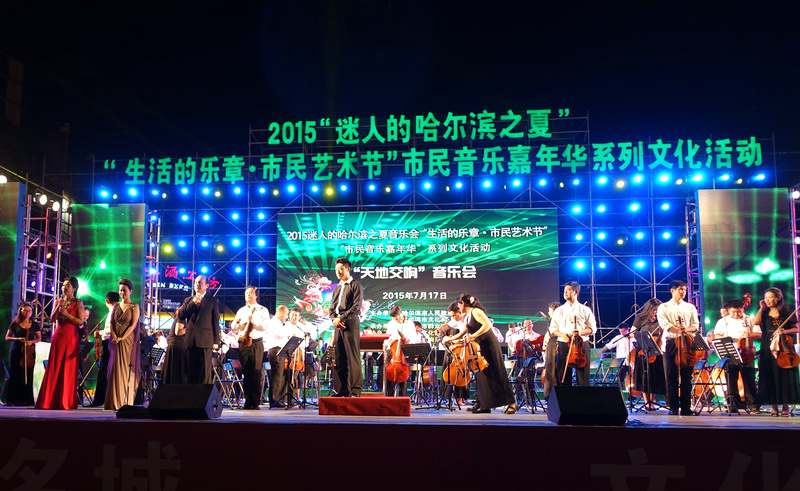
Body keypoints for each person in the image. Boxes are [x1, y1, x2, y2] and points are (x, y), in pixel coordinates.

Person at [444, 294, 516, 414]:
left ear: (463, 304)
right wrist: (451, 339)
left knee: (497, 373)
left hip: (489, 345)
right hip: (480, 348)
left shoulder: (476, 311)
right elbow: (464, 331)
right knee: (483, 377)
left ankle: (512, 403)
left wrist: (473, 336)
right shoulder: (467, 316)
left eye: (459, 304)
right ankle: (485, 405)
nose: (458, 307)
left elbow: (487, 325)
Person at [36, 276, 85, 410]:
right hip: (58, 336)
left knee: (68, 368)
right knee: (54, 366)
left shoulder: (78, 303)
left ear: (74, 288)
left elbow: (80, 321)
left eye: (68, 285)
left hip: (71, 337)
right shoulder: (58, 300)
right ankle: (49, 400)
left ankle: (65, 401)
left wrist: (67, 315)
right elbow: (52, 319)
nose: (64, 287)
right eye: (63, 285)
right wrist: (58, 306)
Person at [754, 287, 800, 416]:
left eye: (771, 297)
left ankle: (785, 406)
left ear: (778, 298)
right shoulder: (764, 311)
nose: (768, 300)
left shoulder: (787, 310)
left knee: (784, 376)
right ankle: (773, 407)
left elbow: (797, 329)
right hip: (767, 347)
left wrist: (784, 331)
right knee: (769, 375)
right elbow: (756, 322)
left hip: (784, 347)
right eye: (766, 298)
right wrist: (761, 308)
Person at [656, 280, 700, 416]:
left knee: (687, 376)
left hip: (687, 342)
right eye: (680, 289)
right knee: (671, 375)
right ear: (672, 290)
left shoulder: (690, 307)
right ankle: (673, 407)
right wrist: (678, 330)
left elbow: (695, 325)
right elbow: (665, 325)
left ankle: (686, 407)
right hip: (671, 342)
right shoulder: (663, 307)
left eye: (685, 289)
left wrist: (685, 330)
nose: (683, 292)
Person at [713, 299, 760, 414]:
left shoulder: (749, 319)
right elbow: (716, 335)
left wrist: (748, 334)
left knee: (749, 379)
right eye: (733, 312)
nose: (736, 314)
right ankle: (733, 404)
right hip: (731, 351)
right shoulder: (723, 321)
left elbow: (759, 333)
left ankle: (753, 405)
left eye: (739, 311)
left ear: (743, 309)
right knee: (731, 379)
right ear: (728, 311)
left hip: (746, 351)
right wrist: (728, 339)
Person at [550, 282, 597, 387]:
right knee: (563, 377)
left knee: (583, 378)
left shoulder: (585, 309)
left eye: (568, 290)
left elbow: (593, 328)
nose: (565, 292)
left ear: (575, 292)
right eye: (564, 290)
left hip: (581, 344)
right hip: (564, 344)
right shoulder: (558, 310)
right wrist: (562, 335)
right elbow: (553, 329)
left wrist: (579, 333)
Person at [231, 286, 271, 409]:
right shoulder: (241, 310)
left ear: (256, 295)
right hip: (244, 342)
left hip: (256, 343)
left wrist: (253, 322)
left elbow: (265, 326)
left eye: (251, 293)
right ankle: (248, 401)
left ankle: (255, 401)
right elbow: (233, 326)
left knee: (256, 371)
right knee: (246, 372)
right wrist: (239, 324)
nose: (248, 295)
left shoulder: (262, 310)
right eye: (246, 293)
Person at [104, 279, 141, 410]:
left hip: (127, 341)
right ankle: (113, 401)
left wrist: (122, 337)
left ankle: (124, 401)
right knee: (114, 369)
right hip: (115, 341)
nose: (122, 292)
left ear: (130, 291)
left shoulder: (134, 306)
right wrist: (114, 336)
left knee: (125, 369)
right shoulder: (116, 306)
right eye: (120, 290)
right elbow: (111, 323)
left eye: (124, 290)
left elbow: (133, 325)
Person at [329, 258, 363, 397]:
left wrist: (341, 318)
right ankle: (342, 389)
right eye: (336, 269)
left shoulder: (355, 285)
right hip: (338, 324)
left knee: (352, 357)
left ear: (348, 268)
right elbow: (332, 307)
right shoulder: (337, 288)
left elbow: (356, 307)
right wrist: (334, 319)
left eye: (341, 269)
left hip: (350, 322)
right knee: (339, 358)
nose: (338, 272)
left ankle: (355, 390)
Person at [177, 275, 220, 384]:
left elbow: (215, 321)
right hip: (190, 341)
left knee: (204, 373)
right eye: (196, 282)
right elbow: (181, 315)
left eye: (200, 282)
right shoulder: (188, 300)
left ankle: (204, 394)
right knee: (190, 372)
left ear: (207, 285)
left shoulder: (212, 300)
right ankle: (192, 394)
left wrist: (216, 341)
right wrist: (193, 303)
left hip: (205, 341)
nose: (197, 285)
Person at [264, 305, 303, 407]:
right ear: (281, 313)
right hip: (275, 350)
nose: (286, 317)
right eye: (286, 314)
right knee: (277, 376)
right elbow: (280, 334)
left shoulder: (279, 323)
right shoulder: (274, 322)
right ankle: (274, 400)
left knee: (279, 376)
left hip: (279, 350)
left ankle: (278, 400)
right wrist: (291, 333)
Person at [631, 298, 666, 411]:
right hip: (643, 350)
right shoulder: (640, 318)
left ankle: (652, 400)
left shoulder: (661, 320)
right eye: (654, 310)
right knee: (644, 377)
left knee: (654, 377)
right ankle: (647, 402)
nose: (656, 312)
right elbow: (632, 333)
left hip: (656, 351)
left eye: (658, 310)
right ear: (649, 309)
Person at [3, 302, 41, 406]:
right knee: (15, 374)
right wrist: (18, 338)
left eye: (30, 311)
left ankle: (27, 400)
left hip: (29, 352)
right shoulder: (15, 323)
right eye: (25, 310)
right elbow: (7, 337)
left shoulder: (35, 324)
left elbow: (39, 338)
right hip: (16, 351)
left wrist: (31, 342)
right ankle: (13, 400)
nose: (27, 312)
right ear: (21, 311)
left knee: (28, 374)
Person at [438, 302, 468, 406]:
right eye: (451, 316)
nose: (452, 317)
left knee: (461, 373)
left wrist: (453, 339)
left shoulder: (467, 320)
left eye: (454, 315)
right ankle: (447, 397)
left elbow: (465, 335)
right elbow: (445, 328)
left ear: (459, 312)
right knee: (448, 373)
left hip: (463, 350)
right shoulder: (454, 321)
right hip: (451, 351)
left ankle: (460, 398)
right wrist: (441, 332)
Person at [383, 305, 416, 397]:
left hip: (405, 353)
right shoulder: (391, 324)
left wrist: (405, 339)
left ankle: (402, 398)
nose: (395, 319)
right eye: (394, 317)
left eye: (396, 316)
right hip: (393, 353)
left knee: (403, 377)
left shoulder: (409, 324)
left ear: (401, 313)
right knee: (389, 375)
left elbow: (414, 339)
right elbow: (388, 339)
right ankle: (388, 397)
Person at [162, 309, 189, 385]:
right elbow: (178, 332)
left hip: (175, 348)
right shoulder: (181, 318)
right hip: (177, 349)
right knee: (177, 375)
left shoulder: (179, 319)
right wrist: (190, 327)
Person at [602, 325, 632, 391]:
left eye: (623, 331)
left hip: (632, 362)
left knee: (632, 379)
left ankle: (631, 392)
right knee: (619, 378)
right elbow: (609, 345)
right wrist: (600, 352)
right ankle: (620, 392)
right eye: (620, 331)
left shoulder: (633, 337)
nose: (622, 333)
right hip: (621, 362)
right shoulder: (618, 338)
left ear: (628, 329)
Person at [541, 302, 561, 399]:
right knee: (551, 375)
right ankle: (550, 397)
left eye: (550, 311)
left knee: (553, 375)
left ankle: (551, 397)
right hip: (549, 351)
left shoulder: (558, 323)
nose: (548, 313)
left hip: (554, 352)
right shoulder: (553, 323)